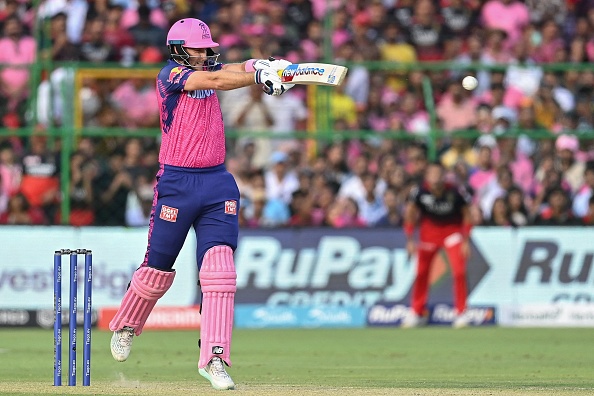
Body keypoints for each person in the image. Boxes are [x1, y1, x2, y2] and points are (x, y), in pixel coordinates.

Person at [107, 18, 293, 390]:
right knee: (157, 269)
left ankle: (215, 358)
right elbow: (217, 80)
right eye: (199, 48)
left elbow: (233, 70)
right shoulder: (171, 75)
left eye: (209, 48)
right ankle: (127, 323)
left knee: (221, 272)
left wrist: (262, 66)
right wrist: (257, 78)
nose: (207, 54)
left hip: (217, 183)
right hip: (176, 182)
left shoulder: (211, 69)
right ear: (178, 49)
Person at [402, 162, 473, 329]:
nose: (435, 177)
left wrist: (466, 241)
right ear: (427, 176)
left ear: (443, 175)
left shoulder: (455, 191)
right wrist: (410, 240)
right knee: (421, 273)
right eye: (431, 174)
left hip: (452, 232)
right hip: (429, 233)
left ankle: (461, 313)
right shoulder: (418, 192)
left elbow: (467, 214)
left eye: (438, 174)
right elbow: (410, 215)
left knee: (459, 271)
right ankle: (417, 312)